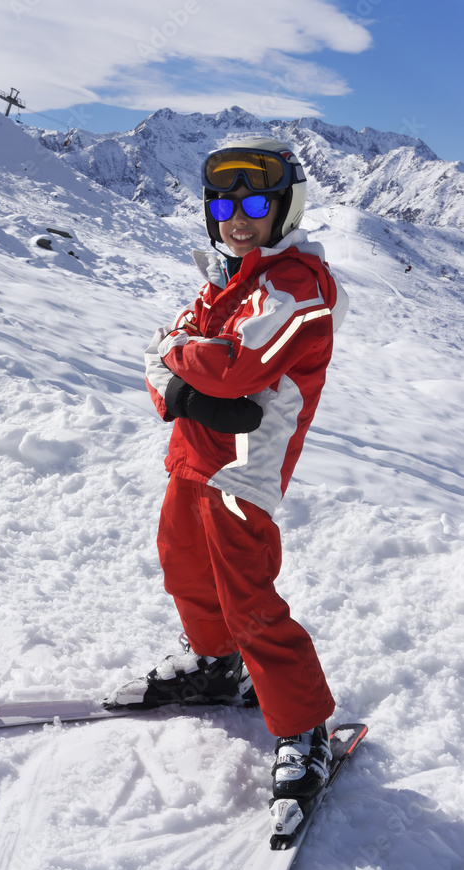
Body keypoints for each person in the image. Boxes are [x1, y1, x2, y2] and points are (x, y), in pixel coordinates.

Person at [105, 137, 349, 808]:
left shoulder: (298, 284)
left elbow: (240, 364)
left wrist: (184, 360)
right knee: (183, 567)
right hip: (191, 453)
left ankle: (304, 727)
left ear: (284, 207)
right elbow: (161, 357)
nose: (236, 219)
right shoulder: (225, 277)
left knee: (249, 598)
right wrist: (186, 386)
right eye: (223, 204)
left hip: (244, 471)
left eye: (252, 203)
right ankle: (213, 666)